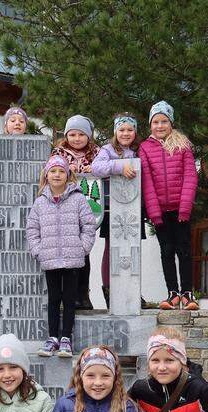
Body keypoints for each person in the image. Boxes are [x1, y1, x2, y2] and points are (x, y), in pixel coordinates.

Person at [25, 155, 96, 359]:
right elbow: (32, 229)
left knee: (70, 298)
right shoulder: (40, 202)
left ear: (68, 175)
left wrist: (83, 248)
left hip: (73, 258)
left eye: (61, 171)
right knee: (54, 298)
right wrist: (38, 250)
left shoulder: (78, 198)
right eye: (53, 171)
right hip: (50, 258)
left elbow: (88, 225)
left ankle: (66, 338)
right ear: (46, 175)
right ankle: (52, 337)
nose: (57, 175)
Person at [139, 100, 199, 311]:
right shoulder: (145, 148)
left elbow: (190, 177)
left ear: (171, 123)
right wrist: (153, 212)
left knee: (184, 250)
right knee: (167, 251)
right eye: (156, 122)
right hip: (160, 211)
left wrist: (185, 207)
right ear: (150, 125)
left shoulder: (182, 145)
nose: (160, 126)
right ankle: (172, 293)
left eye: (164, 121)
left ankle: (187, 293)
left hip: (180, 209)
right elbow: (146, 181)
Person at [90, 113, 140, 308]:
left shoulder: (138, 150)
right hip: (113, 207)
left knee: (133, 247)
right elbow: (96, 167)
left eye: (130, 130)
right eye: (122, 130)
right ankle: (110, 289)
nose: (125, 133)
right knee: (112, 249)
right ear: (115, 132)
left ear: (135, 132)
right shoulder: (108, 149)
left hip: (134, 206)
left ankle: (132, 289)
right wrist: (120, 166)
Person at [52, 115, 101, 310]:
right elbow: (52, 170)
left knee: (84, 253)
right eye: (72, 134)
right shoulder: (59, 153)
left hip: (88, 207)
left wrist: (94, 168)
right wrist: (65, 168)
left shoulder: (97, 153)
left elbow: (103, 168)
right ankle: (68, 297)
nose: (77, 138)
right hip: (65, 210)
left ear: (88, 136)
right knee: (67, 254)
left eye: (81, 134)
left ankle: (84, 294)